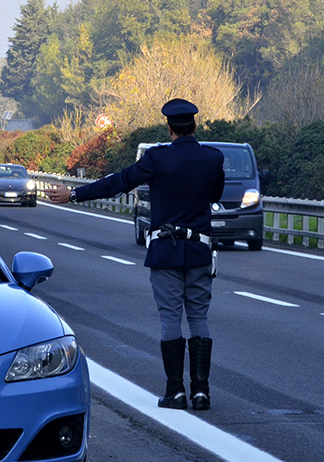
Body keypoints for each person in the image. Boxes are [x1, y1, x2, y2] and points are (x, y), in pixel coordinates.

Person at [44, 99, 225, 410]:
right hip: (199, 250)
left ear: (169, 129)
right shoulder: (213, 158)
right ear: (195, 126)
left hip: (166, 252)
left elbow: (119, 182)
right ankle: (201, 392)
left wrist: (74, 193)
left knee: (170, 318)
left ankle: (175, 391)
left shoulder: (157, 159)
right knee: (198, 318)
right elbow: (216, 195)